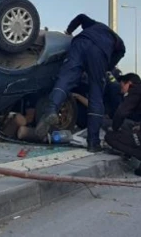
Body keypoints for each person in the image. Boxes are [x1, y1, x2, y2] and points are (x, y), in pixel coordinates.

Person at [34, 13, 126, 152]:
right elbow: (120, 53)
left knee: (65, 79)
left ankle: (51, 109)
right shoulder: (118, 42)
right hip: (99, 52)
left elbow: (81, 17)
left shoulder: (94, 24)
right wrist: (106, 68)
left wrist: (69, 31)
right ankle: (93, 142)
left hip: (80, 42)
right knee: (96, 94)